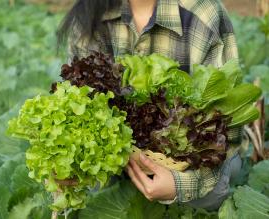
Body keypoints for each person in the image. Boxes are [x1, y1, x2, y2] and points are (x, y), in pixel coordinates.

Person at [57, 0, 243, 211]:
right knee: (89, 194)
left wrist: (180, 186)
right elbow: (76, 105)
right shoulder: (89, 13)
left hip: (185, 162)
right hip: (120, 158)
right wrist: (70, 160)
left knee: (204, 197)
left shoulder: (203, 12)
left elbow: (227, 130)